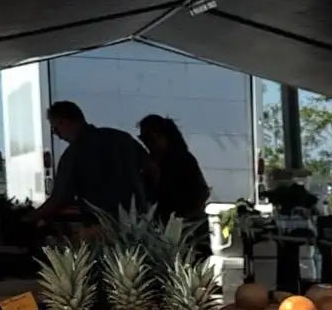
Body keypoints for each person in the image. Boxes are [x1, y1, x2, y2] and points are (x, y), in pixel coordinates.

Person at [36, 101, 150, 222]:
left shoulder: (73, 156)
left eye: (55, 128)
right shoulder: (121, 138)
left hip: (101, 227)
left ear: (64, 121)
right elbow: (151, 168)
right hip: (137, 223)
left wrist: (29, 218)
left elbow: (59, 198)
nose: (57, 134)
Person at [137, 114, 212, 255]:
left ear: (163, 136)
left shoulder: (182, 160)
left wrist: (156, 178)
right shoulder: (153, 162)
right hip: (165, 229)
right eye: (143, 140)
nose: (147, 144)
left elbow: (197, 193)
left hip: (187, 229)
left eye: (150, 139)